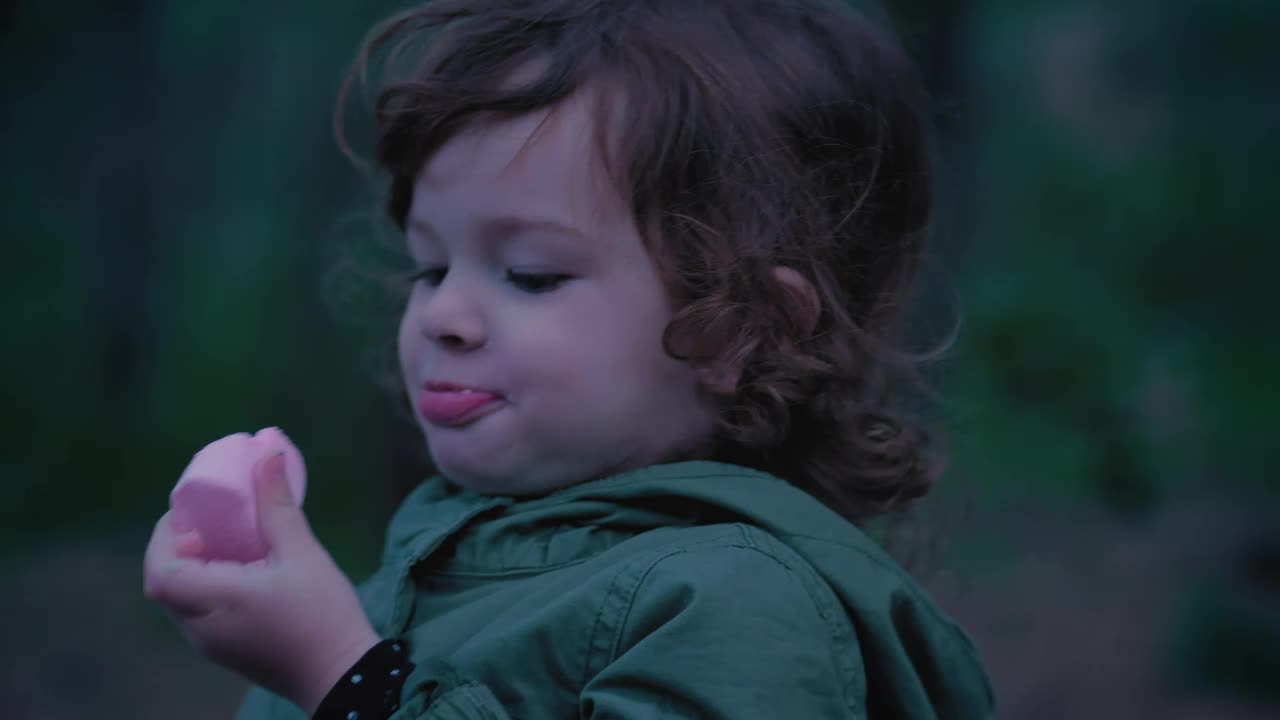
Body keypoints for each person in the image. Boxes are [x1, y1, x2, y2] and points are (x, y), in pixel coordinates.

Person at [144, 0, 996, 717]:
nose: (442, 314)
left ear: (743, 329)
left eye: (531, 274)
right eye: (430, 264)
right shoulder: (427, 570)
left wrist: (342, 677)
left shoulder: (739, 609)